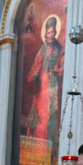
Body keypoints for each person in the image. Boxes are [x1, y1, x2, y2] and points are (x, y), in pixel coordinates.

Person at [25, 15, 64, 144]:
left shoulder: (59, 49)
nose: (51, 35)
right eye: (48, 32)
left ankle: (51, 150)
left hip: (54, 86)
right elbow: (35, 67)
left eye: (53, 32)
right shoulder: (42, 50)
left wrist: (58, 71)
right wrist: (33, 75)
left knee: (52, 117)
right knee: (42, 118)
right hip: (43, 86)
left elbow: (62, 65)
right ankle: (40, 148)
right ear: (45, 33)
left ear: (56, 32)